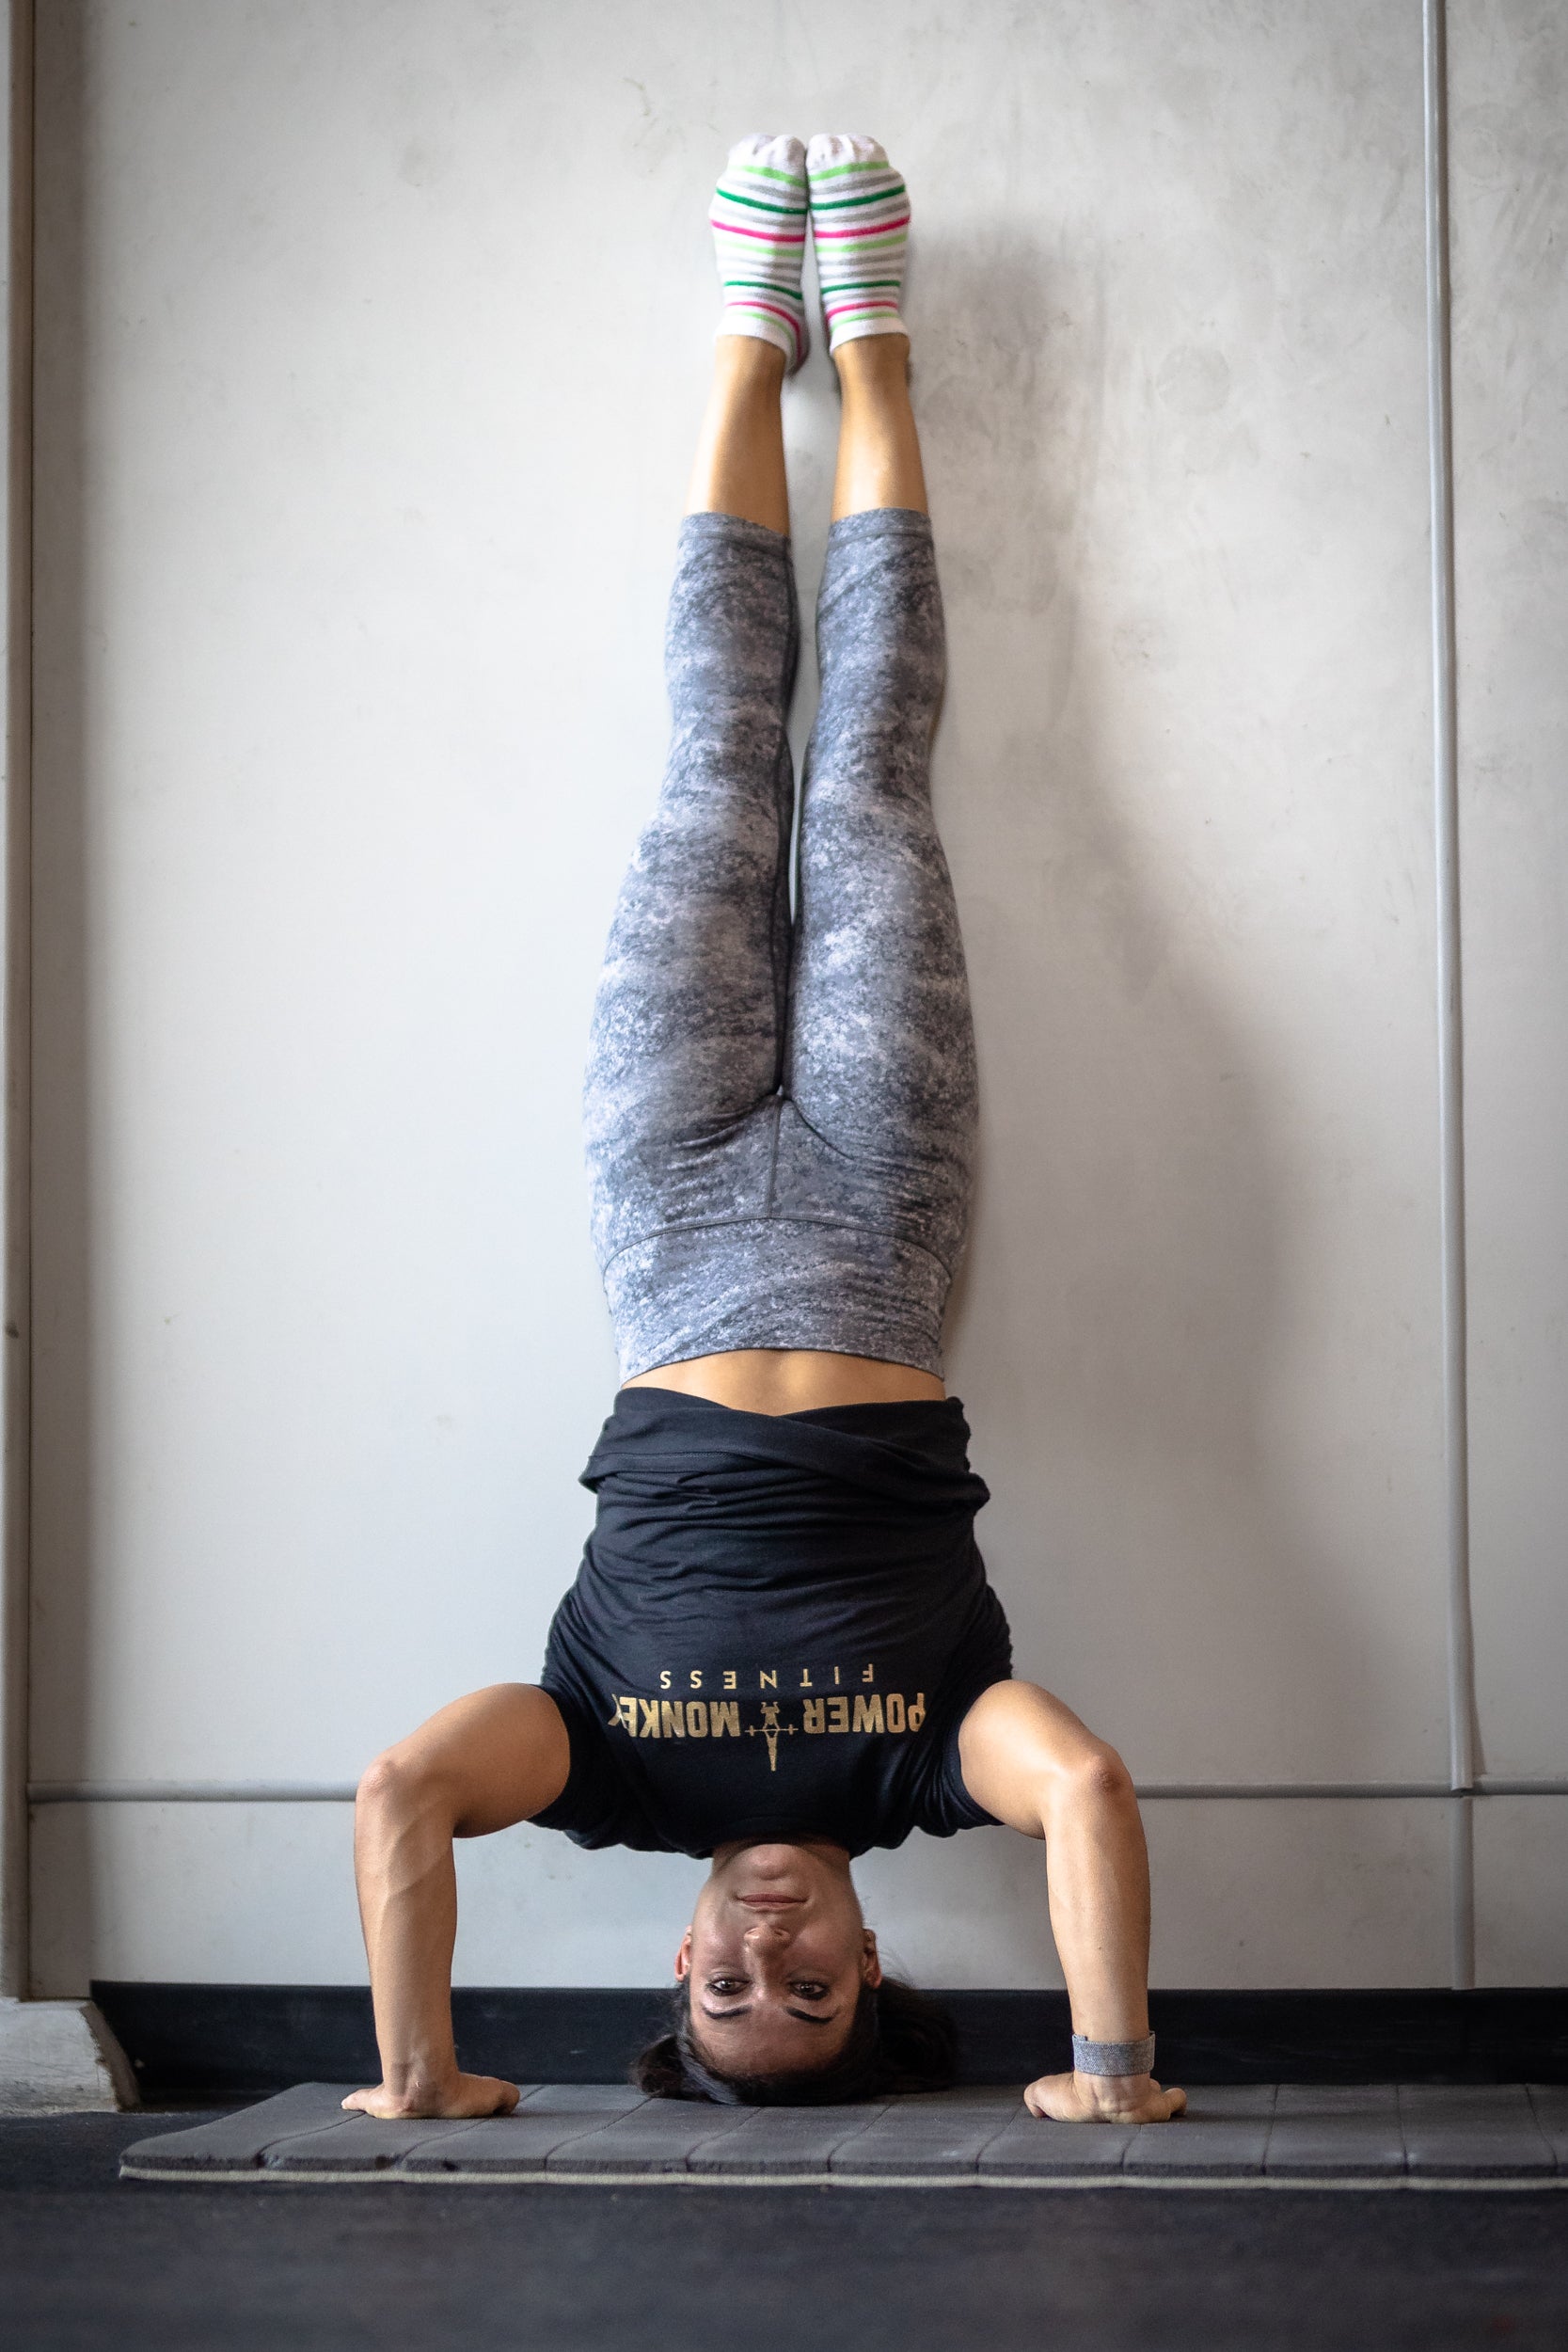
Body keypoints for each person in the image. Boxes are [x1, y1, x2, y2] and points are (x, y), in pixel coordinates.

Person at [345, 134, 1185, 2127]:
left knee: (723, 759)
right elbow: (1081, 1784)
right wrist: (1113, 2064)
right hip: (887, 1215)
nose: (762, 1955)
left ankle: (747, 351)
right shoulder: (921, 1766)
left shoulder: (604, 1772)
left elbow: (399, 1794)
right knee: (872, 775)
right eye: (803, 1995)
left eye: (724, 1989)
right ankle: (871, 354)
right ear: (875, 1966)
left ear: (675, 1958)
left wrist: (416, 2073)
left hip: (672, 1198)